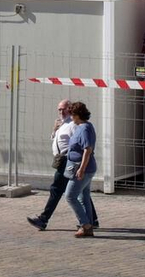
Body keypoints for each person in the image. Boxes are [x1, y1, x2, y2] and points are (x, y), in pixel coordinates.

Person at [26, 100, 98, 232]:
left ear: (74, 113)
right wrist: (55, 130)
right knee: (82, 193)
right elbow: (58, 140)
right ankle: (91, 220)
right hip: (64, 160)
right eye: (59, 109)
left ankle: (44, 219)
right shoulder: (63, 124)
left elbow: (85, 147)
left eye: (65, 109)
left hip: (70, 162)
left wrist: (81, 167)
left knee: (63, 192)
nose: (62, 112)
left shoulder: (77, 126)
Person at [64, 101, 99, 238]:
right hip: (83, 167)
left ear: (77, 115)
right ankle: (88, 227)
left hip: (83, 168)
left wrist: (82, 169)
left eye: (71, 114)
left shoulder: (84, 128)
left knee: (70, 196)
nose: (70, 117)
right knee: (84, 196)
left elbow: (87, 149)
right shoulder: (82, 126)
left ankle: (85, 225)